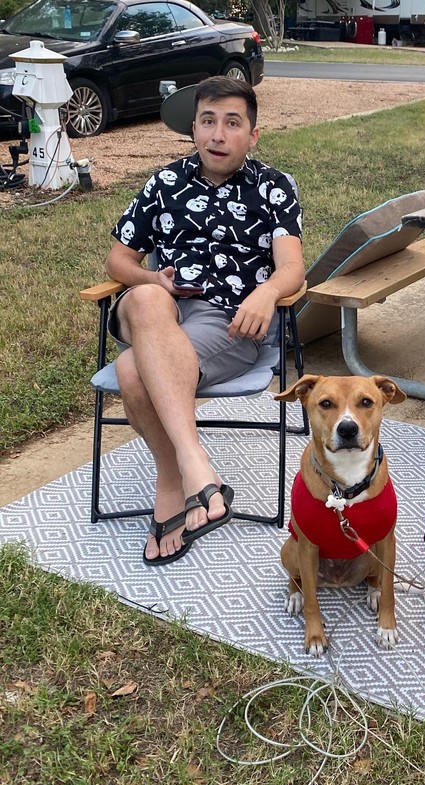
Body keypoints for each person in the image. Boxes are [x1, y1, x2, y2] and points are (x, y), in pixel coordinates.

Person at [104, 76, 304, 566]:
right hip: (159, 305)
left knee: (133, 372)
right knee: (147, 298)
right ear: (193, 128)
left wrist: (267, 292)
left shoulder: (272, 187)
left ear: (252, 134)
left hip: (225, 320)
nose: (218, 134)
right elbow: (118, 261)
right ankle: (197, 467)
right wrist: (155, 280)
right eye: (208, 121)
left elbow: (292, 267)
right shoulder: (164, 183)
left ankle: (171, 482)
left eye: (232, 123)